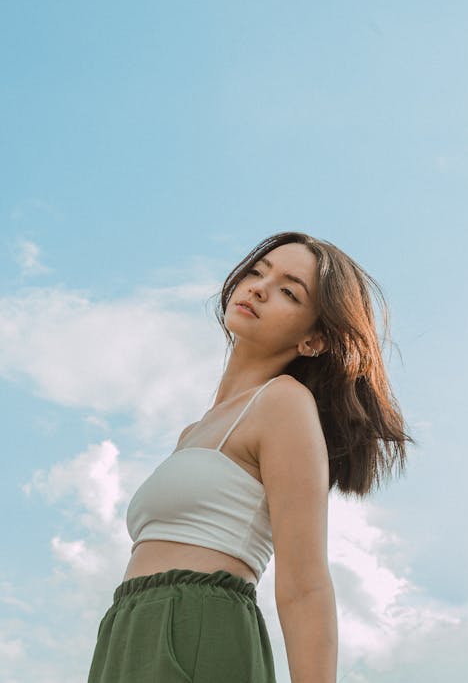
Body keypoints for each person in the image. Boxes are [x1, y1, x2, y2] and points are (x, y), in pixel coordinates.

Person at [87, 230, 414, 683]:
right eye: (257, 272)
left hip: (198, 627)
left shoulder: (283, 403)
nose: (259, 287)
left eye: (288, 291)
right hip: (129, 628)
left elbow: (305, 585)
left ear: (314, 340)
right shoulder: (193, 432)